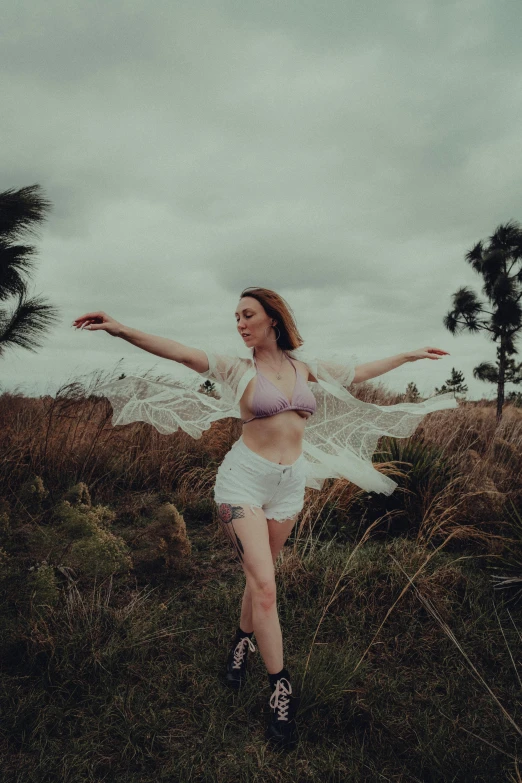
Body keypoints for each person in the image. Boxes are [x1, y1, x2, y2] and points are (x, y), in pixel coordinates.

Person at [72, 286, 458, 751]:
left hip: (289, 486)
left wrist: (409, 355)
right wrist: (120, 328)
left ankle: (240, 643)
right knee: (268, 586)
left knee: (259, 583)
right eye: (235, 317)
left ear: (272, 318)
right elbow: (178, 352)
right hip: (243, 484)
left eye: (247, 315)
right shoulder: (237, 369)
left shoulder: (304, 368)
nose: (239, 324)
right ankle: (281, 688)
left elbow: (358, 373)